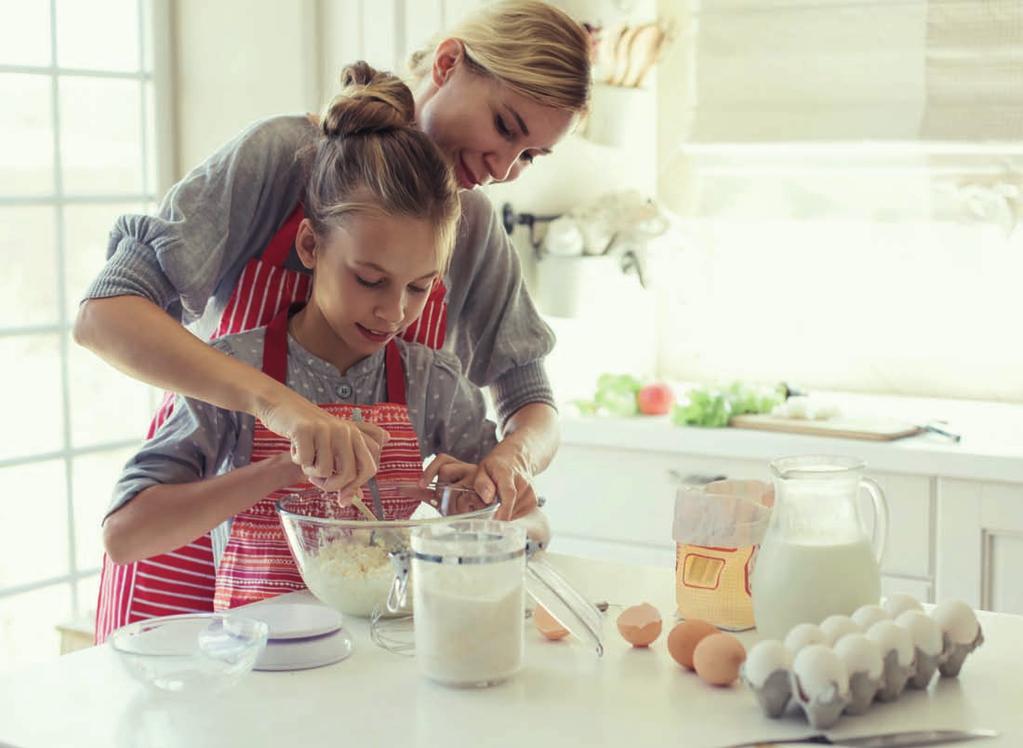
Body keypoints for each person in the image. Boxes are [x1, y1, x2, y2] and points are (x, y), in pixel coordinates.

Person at [79, 0, 590, 639]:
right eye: (504, 126)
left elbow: (531, 403)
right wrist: (282, 411)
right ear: (451, 61)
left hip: (349, 601)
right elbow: (105, 316)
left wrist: (508, 466)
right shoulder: (286, 157)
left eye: (531, 155)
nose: (503, 167)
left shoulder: (473, 228)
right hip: (196, 518)